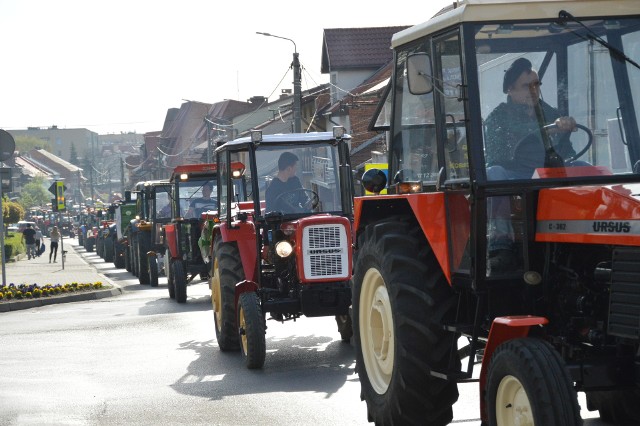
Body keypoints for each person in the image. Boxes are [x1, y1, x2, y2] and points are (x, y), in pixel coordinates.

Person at [484, 58, 578, 274]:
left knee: (583, 166)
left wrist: (564, 130)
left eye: (537, 85)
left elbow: (567, 154)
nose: (534, 90)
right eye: (527, 86)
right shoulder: (497, 117)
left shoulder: (552, 114)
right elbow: (499, 155)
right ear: (510, 89)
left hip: (549, 173)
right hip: (517, 174)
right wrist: (547, 130)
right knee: (494, 173)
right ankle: (500, 245)